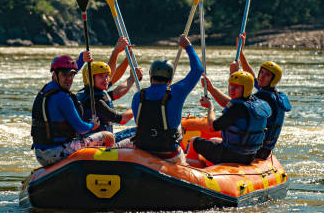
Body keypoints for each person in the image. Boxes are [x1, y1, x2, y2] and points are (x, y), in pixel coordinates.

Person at [117, 34, 203, 164]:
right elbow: (198, 70)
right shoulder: (177, 91)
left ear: (150, 76)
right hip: (169, 153)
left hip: (143, 150)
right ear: (170, 79)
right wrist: (188, 46)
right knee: (196, 161)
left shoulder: (138, 96)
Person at [31, 53, 114, 167]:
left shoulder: (46, 90)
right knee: (107, 135)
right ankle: (106, 167)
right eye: (65, 75)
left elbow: (67, 71)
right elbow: (81, 128)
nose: (69, 79)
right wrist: (92, 125)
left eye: (72, 75)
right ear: (55, 75)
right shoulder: (63, 98)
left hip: (40, 154)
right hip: (57, 153)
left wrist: (81, 60)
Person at [230, 35, 292, 159]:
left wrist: (233, 74)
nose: (262, 77)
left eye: (267, 75)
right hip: (264, 148)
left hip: (256, 151)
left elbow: (236, 103)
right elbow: (252, 76)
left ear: (273, 79)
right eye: (261, 72)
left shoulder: (264, 98)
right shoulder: (273, 93)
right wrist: (240, 51)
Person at [192, 71, 271, 165]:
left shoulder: (236, 109)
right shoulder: (254, 103)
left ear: (246, 88)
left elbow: (212, 126)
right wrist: (211, 88)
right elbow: (228, 103)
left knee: (194, 141)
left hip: (231, 156)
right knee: (214, 140)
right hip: (249, 156)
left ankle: (192, 163)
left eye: (236, 87)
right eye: (231, 85)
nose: (232, 89)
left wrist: (210, 108)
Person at [77, 60, 143, 136]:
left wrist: (132, 78)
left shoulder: (91, 92)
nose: (106, 79)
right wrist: (140, 105)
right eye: (101, 76)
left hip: (101, 137)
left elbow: (117, 92)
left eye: (107, 75)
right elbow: (122, 119)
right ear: (90, 78)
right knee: (139, 131)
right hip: (98, 142)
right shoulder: (95, 101)